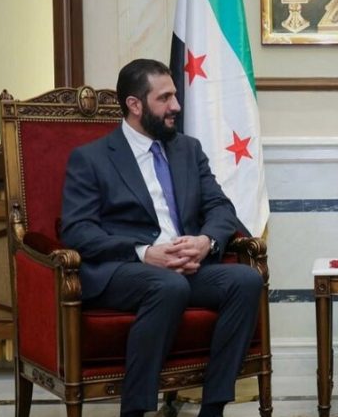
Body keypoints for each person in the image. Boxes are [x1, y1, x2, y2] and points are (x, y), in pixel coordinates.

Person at [61, 59, 263, 417]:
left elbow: (220, 207)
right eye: (164, 98)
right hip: (126, 269)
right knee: (168, 286)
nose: (176, 106)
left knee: (246, 280)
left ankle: (213, 408)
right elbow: (77, 230)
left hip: (186, 266)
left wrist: (205, 242)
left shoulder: (188, 150)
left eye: (175, 96)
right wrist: (144, 253)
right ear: (134, 105)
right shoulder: (91, 159)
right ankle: (135, 411)